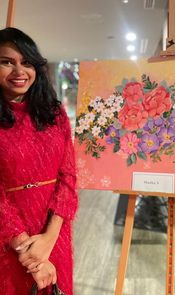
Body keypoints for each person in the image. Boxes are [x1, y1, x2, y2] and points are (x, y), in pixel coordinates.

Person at [0, 27, 78, 294]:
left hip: (54, 231)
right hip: (8, 238)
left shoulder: (54, 113)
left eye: (27, 62)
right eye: (7, 62)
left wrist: (50, 237)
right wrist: (29, 253)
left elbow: (68, 176)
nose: (19, 71)